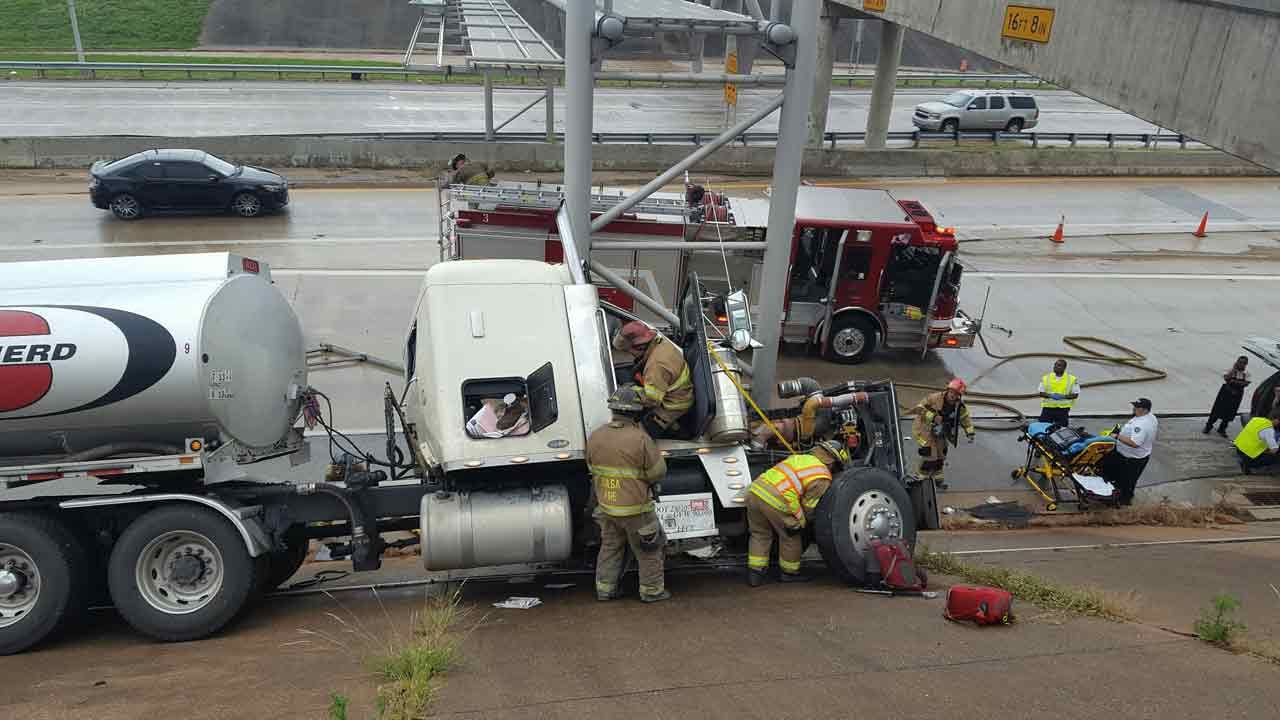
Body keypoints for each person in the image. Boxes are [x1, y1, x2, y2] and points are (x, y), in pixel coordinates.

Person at [587, 385, 670, 603]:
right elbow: (657, 472)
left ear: (613, 410)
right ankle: (652, 591)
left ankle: (605, 590)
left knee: (610, 547)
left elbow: (591, 467)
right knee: (649, 549)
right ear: (636, 413)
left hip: (606, 507)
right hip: (636, 510)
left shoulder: (596, 436)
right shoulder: (640, 439)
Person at [745, 440, 849, 587]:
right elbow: (809, 507)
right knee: (791, 535)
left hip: (754, 493)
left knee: (760, 534)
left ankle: (755, 573)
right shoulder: (822, 475)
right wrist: (804, 523)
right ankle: (789, 573)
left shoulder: (799, 458)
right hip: (777, 498)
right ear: (833, 462)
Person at [612, 320, 693, 438]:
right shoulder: (659, 343)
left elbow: (652, 399)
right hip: (675, 393)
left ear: (639, 346)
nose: (629, 354)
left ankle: (674, 429)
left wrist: (627, 394)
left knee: (636, 436)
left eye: (628, 350)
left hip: (672, 406)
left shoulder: (657, 365)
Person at [911, 378, 976, 490]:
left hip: (941, 432)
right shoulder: (934, 398)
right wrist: (933, 417)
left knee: (941, 455)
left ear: (959, 395)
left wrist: (970, 433)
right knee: (929, 454)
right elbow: (919, 409)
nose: (952, 395)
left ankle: (938, 478)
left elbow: (965, 419)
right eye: (951, 392)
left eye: (956, 393)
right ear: (948, 390)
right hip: (924, 430)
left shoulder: (959, 407)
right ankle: (920, 478)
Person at [1102, 398, 1158, 506]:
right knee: (1113, 471)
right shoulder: (1150, 417)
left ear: (1144, 410)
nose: (1134, 408)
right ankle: (1114, 494)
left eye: (1137, 407)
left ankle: (1123, 502)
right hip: (1129, 454)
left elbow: (1134, 443)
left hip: (1132, 458)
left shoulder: (1142, 424)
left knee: (1127, 482)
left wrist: (1117, 436)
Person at [1205, 356, 1251, 436]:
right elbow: (1226, 378)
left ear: (1246, 364)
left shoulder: (1247, 373)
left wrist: (1233, 381)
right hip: (1225, 392)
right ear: (1236, 362)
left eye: (1243, 363)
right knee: (1217, 409)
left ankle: (1222, 429)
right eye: (1239, 362)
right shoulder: (1230, 370)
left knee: (1230, 412)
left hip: (1237, 394)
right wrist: (1233, 371)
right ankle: (1208, 426)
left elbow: (1246, 383)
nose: (1241, 364)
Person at [1038, 358, 1080, 427]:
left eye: (1059, 365)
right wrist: (1050, 395)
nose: (1056, 367)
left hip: (1063, 409)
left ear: (1064, 368)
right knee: (1043, 427)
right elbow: (1041, 393)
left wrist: (1063, 396)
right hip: (1048, 408)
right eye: (1055, 365)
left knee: (1061, 429)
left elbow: (1075, 395)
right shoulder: (1046, 378)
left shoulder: (1072, 379)